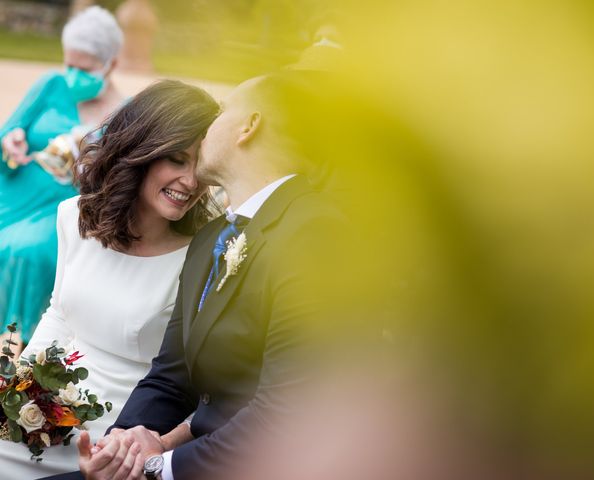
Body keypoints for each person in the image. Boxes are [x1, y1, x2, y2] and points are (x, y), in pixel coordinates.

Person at [43, 72, 346, 480]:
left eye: (221, 113)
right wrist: (121, 447)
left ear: (248, 126)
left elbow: (286, 412)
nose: (206, 130)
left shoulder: (315, 232)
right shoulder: (213, 239)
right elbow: (172, 376)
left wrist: (158, 464)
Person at [0, 80, 219, 479]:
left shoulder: (202, 256)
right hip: (47, 407)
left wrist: (151, 443)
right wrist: (17, 393)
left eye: (199, 165)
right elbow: (59, 315)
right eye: (176, 159)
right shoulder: (73, 216)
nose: (190, 182)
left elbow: (193, 379)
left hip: (123, 431)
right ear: (140, 150)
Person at [0, 6, 125, 347]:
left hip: (62, 203)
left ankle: (14, 345)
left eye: (82, 69)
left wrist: (83, 157)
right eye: (68, 64)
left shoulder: (123, 113)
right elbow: (11, 129)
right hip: (13, 187)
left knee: (25, 251)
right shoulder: (50, 84)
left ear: (110, 64)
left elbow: (112, 181)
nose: (71, 74)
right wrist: (12, 140)